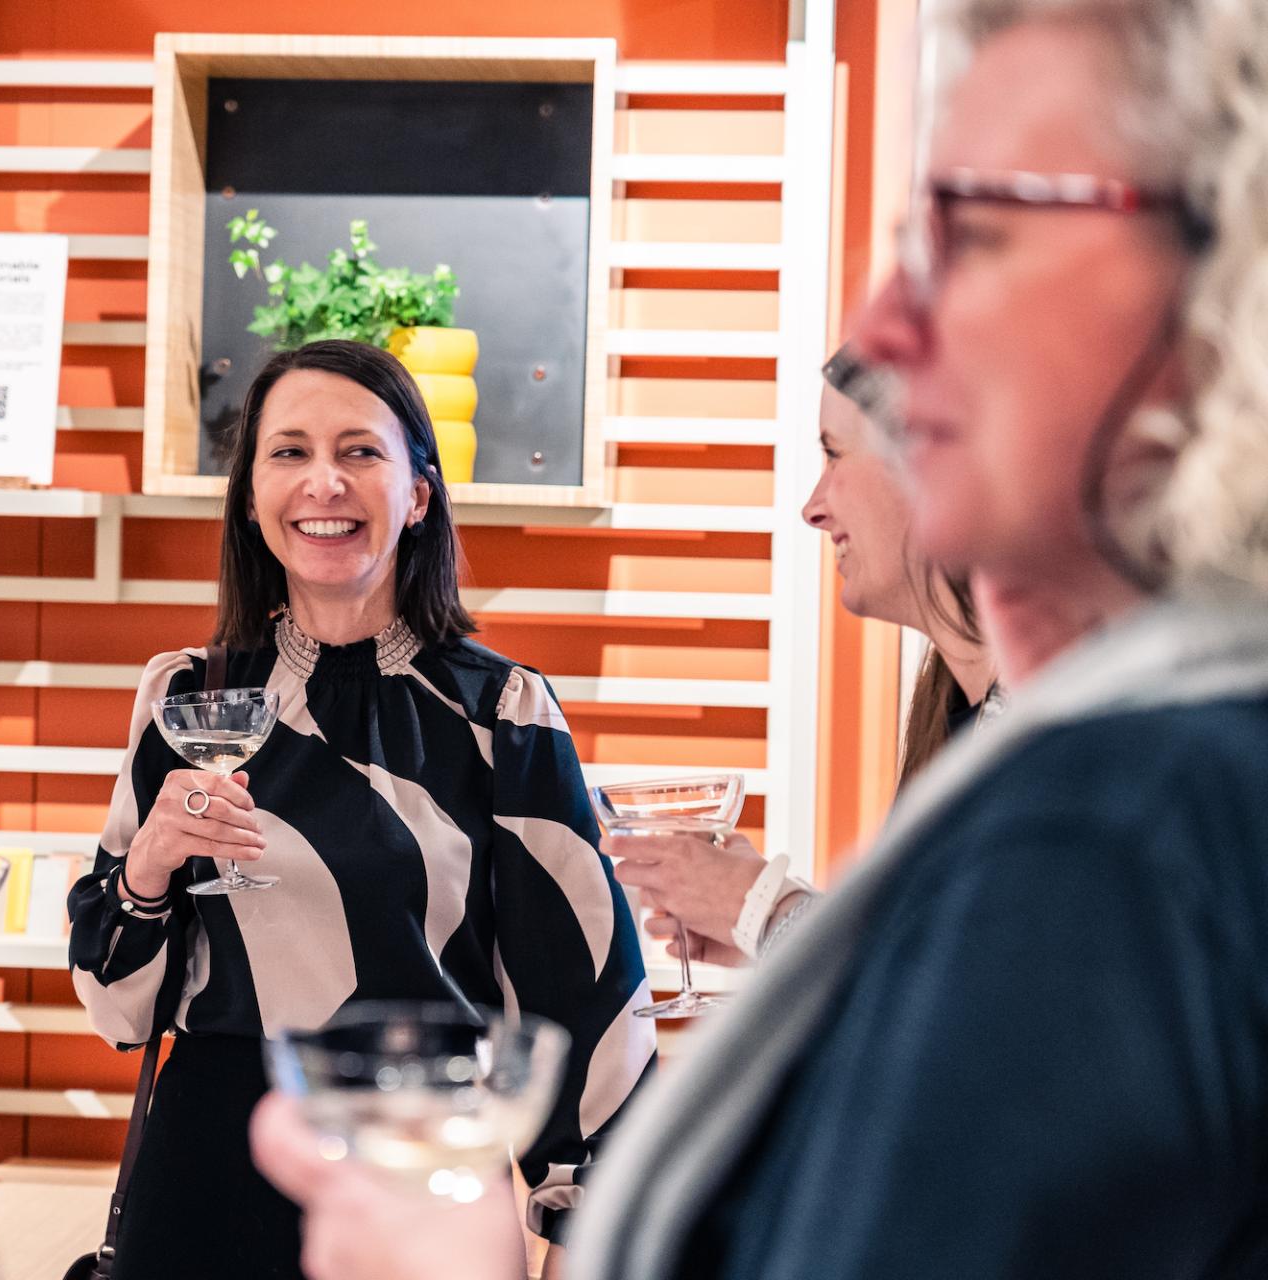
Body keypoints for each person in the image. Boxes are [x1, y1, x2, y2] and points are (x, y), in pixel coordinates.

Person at [255, 0, 1268, 1276]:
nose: (901, 330)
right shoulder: (1155, 772)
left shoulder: (1115, 827)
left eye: (984, 241)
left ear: (1217, 304)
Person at [67, 339, 656, 1280]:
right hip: (211, 1168)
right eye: (289, 452)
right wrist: (147, 870)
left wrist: (585, 1232)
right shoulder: (183, 697)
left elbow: (584, 994)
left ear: (419, 494)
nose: (323, 483)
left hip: (421, 1170)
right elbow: (114, 1009)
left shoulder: (500, 713)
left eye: (361, 452)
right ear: (252, 494)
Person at [620, 346, 996, 970]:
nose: (813, 508)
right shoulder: (957, 712)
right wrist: (766, 939)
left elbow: (984, 993)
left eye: (834, 453)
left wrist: (764, 910)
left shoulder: (1061, 737)